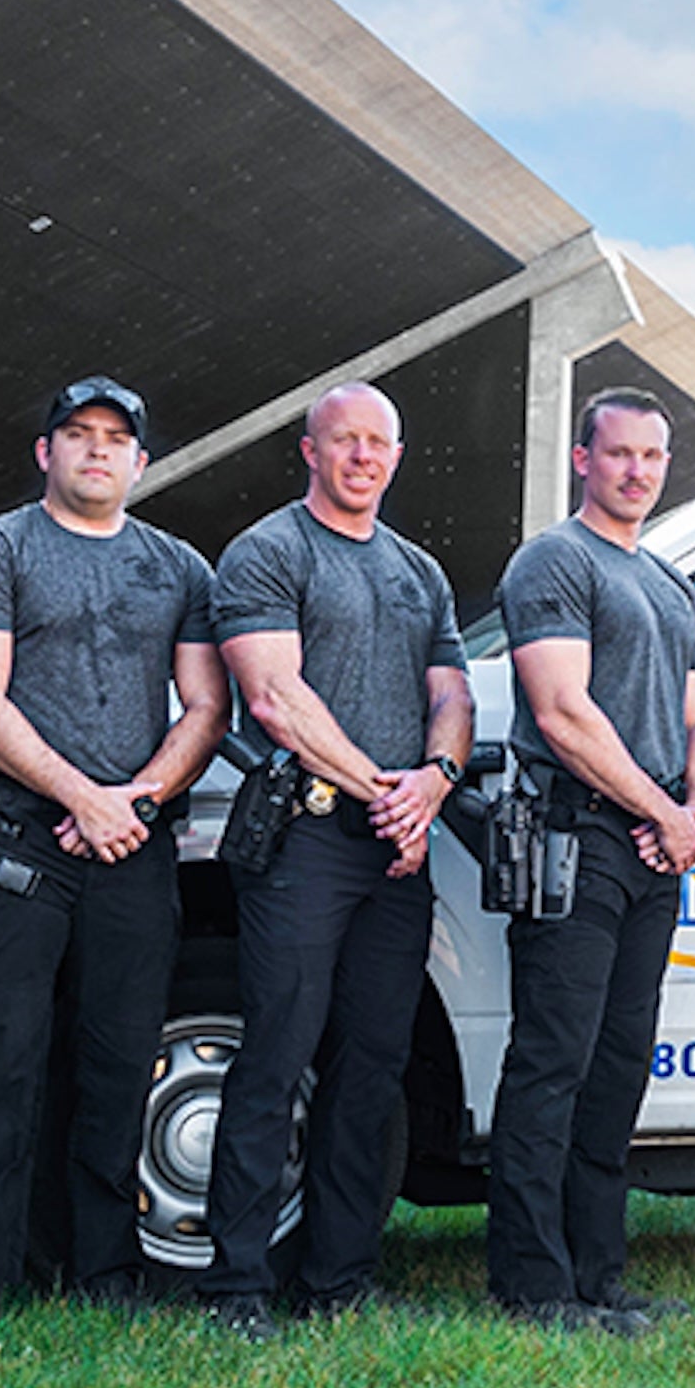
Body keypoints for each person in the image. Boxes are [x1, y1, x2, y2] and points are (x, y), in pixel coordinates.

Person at [0, 378, 227, 1330]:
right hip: (21, 841)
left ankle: (102, 1273)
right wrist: (81, 798)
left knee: (115, 1066)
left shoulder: (178, 566)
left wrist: (131, 802)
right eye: (77, 435)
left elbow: (208, 707)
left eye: (114, 440)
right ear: (45, 452)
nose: (96, 452)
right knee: (0, 1064)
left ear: (140, 462)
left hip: (134, 847)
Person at [210, 384, 475, 1326]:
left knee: (373, 1063)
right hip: (309, 835)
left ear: (397, 457)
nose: (363, 457)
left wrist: (434, 780)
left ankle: (339, 1280)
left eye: (379, 443)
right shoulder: (269, 552)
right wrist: (387, 792)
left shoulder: (419, 571)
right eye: (345, 441)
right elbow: (276, 698)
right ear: (310, 451)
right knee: (275, 1055)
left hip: (398, 846)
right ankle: (238, 1284)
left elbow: (453, 693)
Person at [484, 386, 695, 1335]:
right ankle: (533, 1287)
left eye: (653, 457)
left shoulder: (669, 583)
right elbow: (561, 712)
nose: (637, 472)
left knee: (618, 1067)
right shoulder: (553, 562)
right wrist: (663, 810)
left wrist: (690, 813)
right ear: (583, 459)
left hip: (653, 849)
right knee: (554, 1062)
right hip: (572, 838)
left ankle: (598, 1274)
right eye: (620, 454)